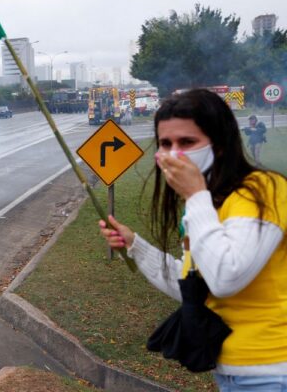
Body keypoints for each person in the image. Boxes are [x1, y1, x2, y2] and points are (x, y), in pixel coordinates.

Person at [97, 89, 287, 390]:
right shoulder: (206, 207)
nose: (174, 153)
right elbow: (196, 287)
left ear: (220, 144)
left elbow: (227, 277)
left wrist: (196, 195)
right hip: (233, 374)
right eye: (165, 144)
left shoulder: (262, 191)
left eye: (187, 142)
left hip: (272, 373)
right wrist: (136, 246)